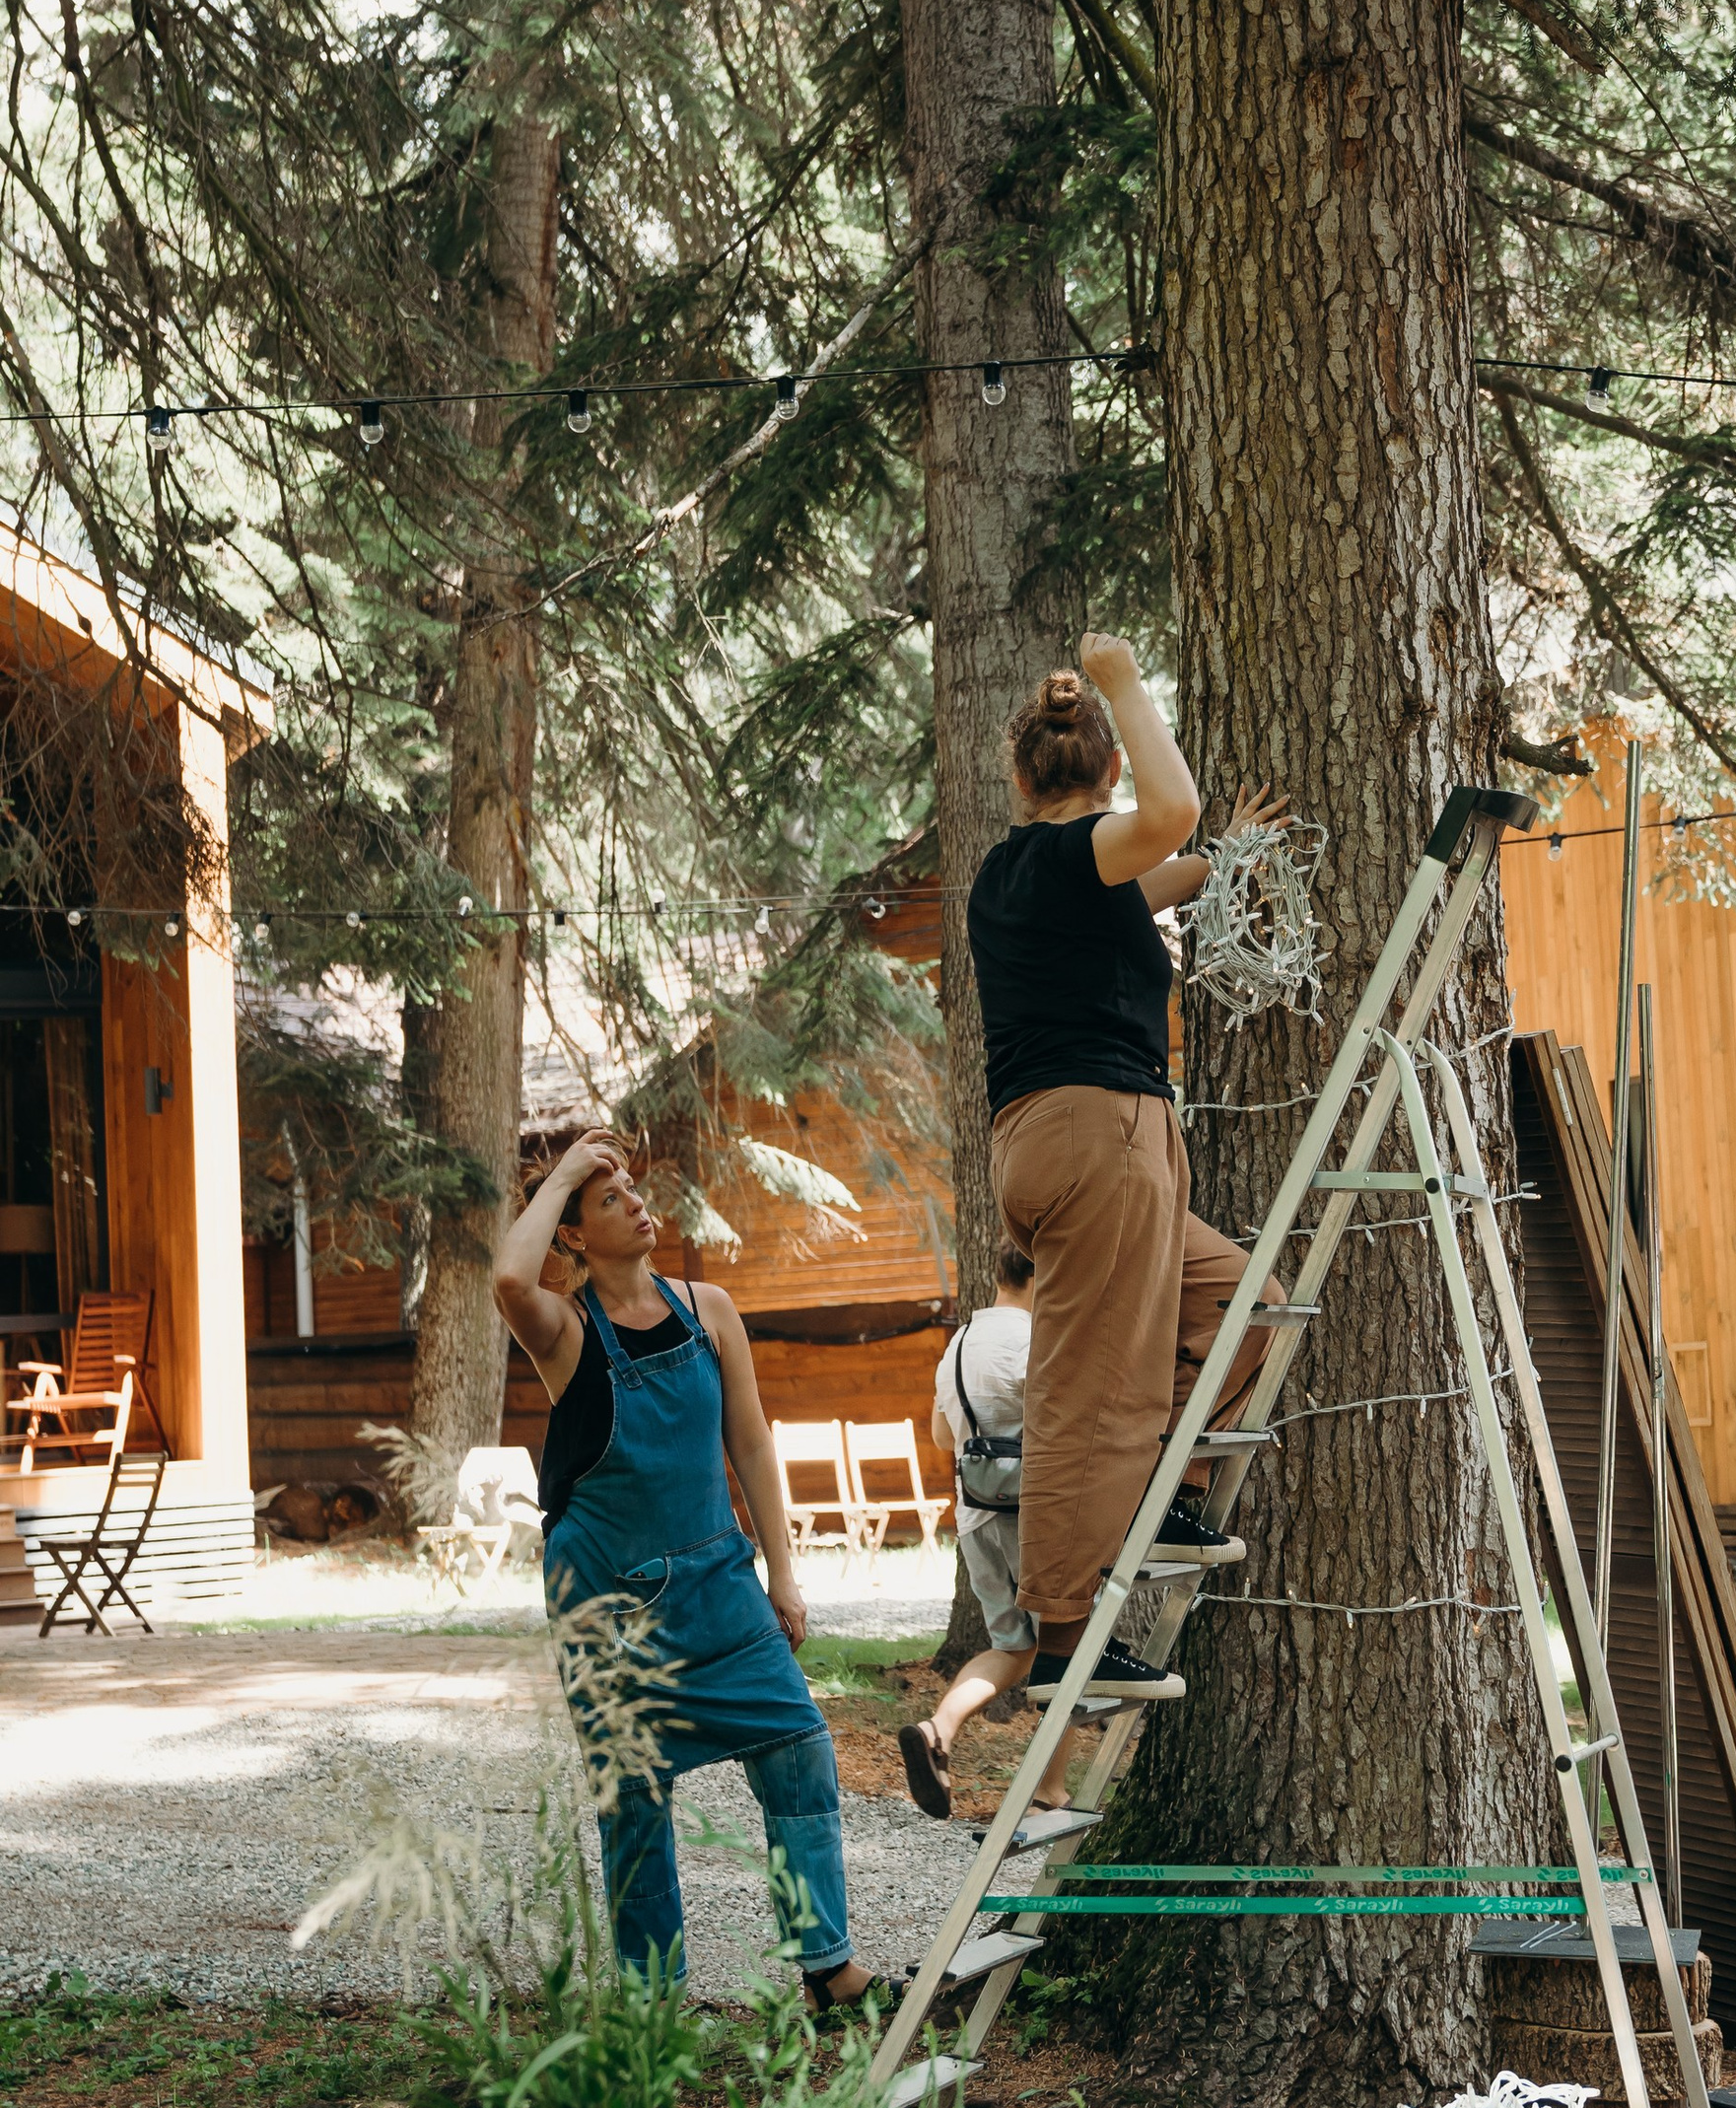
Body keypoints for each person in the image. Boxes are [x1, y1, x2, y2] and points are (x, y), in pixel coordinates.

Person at [963, 632, 1290, 1690]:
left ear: (1020, 779)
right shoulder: (1074, 855)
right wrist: (1124, 682)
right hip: (1098, 1136)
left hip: (1074, 1142)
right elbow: (1170, 817)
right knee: (1085, 1389)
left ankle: (1167, 1491)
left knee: (1244, 1302)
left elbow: (1166, 870)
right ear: (1110, 770)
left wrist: (1229, 856)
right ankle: (1064, 1641)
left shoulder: (1026, 879)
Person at [493, 1129, 876, 2012]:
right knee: (633, 1796)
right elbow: (512, 1278)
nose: (635, 1202)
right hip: (609, 1606)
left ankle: (827, 1968)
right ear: (573, 1234)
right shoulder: (565, 1331)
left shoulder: (710, 1309)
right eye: (609, 1199)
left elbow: (752, 1442)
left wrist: (784, 1574)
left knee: (799, 1747)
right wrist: (564, 1172)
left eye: (631, 1187)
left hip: (720, 1583)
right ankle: (652, 2002)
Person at [897, 1240, 1095, 1820]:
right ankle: (1047, 1793)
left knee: (1013, 1647)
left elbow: (942, 1436)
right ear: (1041, 1277)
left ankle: (939, 1729)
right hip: (1035, 1518)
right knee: (1062, 1648)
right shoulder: (1037, 1341)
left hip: (976, 1515)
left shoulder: (959, 1344)